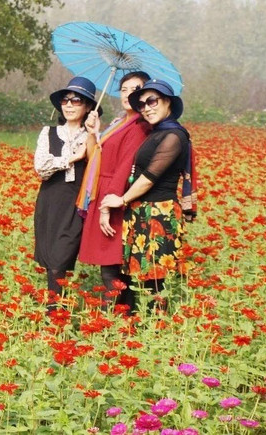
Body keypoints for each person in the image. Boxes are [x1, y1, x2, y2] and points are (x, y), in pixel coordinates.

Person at [99, 79, 196, 313]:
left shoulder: (174, 135)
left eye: (152, 101)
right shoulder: (154, 133)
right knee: (135, 277)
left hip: (158, 215)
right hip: (140, 212)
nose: (146, 107)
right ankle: (133, 328)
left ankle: (155, 334)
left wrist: (121, 200)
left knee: (152, 280)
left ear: (168, 103)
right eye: (142, 104)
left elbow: (150, 177)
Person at [77, 71, 152, 310]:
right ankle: (123, 320)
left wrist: (106, 207)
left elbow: (123, 169)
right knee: (113, 267)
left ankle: (110, 321)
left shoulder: (139, 127)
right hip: (104, 192)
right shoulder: (120, 122)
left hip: (115, 199)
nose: (128, 94)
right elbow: (94, 156)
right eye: (124, 89)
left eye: (135, 89)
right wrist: (93, 133)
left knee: (113, 268)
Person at [33, 77, 97, 310]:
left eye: (76, 100)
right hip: (50, 200)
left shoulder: (93, 136)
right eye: (65, 100)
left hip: (76, 202)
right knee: (52, 260)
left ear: (89, 106)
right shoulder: (48, 133)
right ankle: (54, 309)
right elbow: (41, 167)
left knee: (61, 256)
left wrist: (91, 135)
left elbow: (97, 164)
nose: (69, 105)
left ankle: (55, 311)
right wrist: (72, 157)